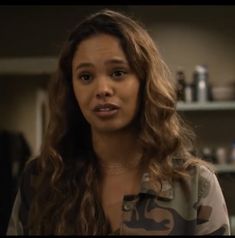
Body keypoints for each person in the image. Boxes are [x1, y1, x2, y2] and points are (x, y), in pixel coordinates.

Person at [7, 9, 230, 235]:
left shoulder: (193, 184)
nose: (102, 89)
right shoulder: (41, 179)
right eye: (86, 76)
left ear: (144, 81)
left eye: (118, 73)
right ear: (71, 89)